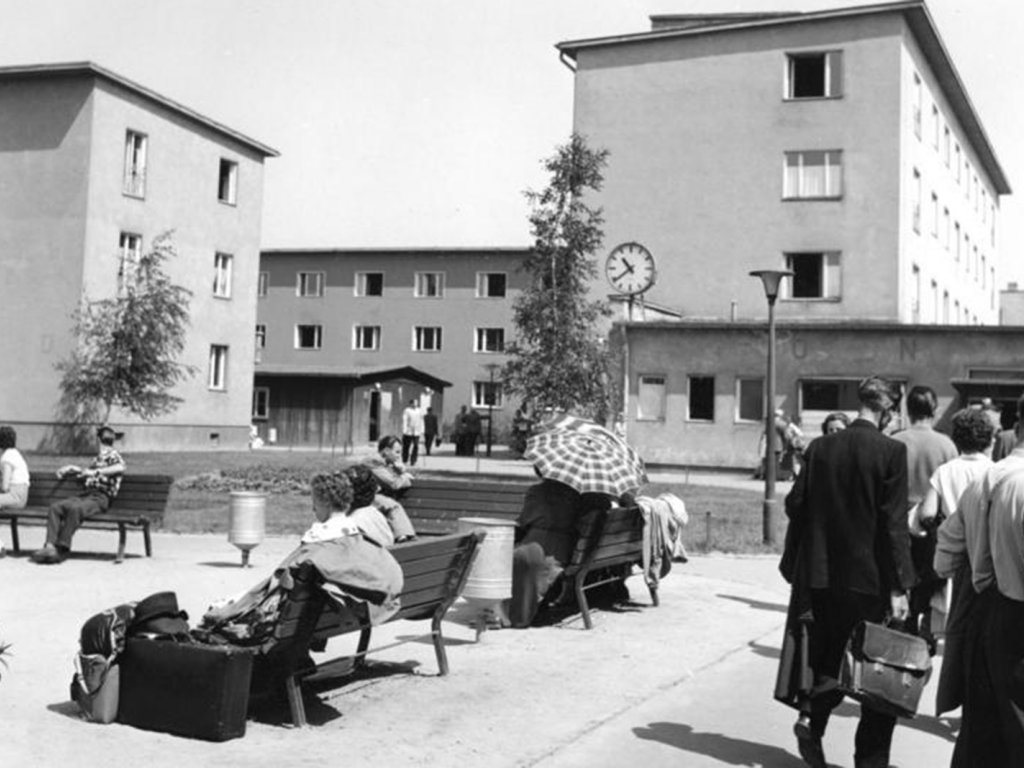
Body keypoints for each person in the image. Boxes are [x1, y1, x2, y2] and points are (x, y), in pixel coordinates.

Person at [777, 376, 913, 768]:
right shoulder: (891, 452)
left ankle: (811, 720)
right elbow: (893, 525)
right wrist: (900, 585)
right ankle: (870, 760)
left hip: (822, 576)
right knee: (877, 668)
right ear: (887, 410)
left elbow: (795, 505)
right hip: (870, 581)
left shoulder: (821, 447)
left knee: (827, 654)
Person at [934, 393, 1024, 766]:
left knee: (986, 738)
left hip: (988, 618)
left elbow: (945, 552)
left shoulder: (987, 478)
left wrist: (980, 561)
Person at [891, 385, 957, 648]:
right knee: (929, 582)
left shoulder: (896, 440)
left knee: (903, 580)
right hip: (933, 526)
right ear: (934, 409)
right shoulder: (946, 445)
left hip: (898, 524)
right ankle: (926, 628)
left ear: (908, 409)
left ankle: (903, 629)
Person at [508, 474, 616, 628]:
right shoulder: (586, 496)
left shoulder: (539, 491)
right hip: (572, 549)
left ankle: (511, 609)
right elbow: (604, 505)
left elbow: (525, 520)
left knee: (519, 554)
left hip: (546, 547)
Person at [32, 424, 126, 565]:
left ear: (98, 440)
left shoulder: (113, 455)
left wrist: (95, 472)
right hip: (86, 495)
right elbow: (86, 472)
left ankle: (61, 548)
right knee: (56, 507)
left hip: (100, 498)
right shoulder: (98, 459)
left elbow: (121, 467)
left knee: (76, 509)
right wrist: (72, 468)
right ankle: (49, 546)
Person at [345, 463, 416, 543]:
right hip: (367, 497)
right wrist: (404, 476)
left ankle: (403, 534)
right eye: (396, 452)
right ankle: (403, 534)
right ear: (386, 451)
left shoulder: (383, 466)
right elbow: (394, 484)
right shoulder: (375, 466)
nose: (397, 455)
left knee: (391, 505)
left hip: (365, 498)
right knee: (391, 505)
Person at [0, 425, 30, 558]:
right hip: (20, 495)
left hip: (15, 496)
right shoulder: (15, 454)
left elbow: (5, 487)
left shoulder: (7, 458)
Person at [401, 399, 424, 466]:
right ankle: (405, 459)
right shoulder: (407, 410)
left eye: (417, 403)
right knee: (407, 446)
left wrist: (422, 430)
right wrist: (404, 430)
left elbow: (421, 420)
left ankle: (413, 460)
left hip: (417, 431)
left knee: (416, 446)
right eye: (414, 403)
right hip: (408, 431)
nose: (416, 404)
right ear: (411, 403)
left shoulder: (419, 411)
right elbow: (404, 420)